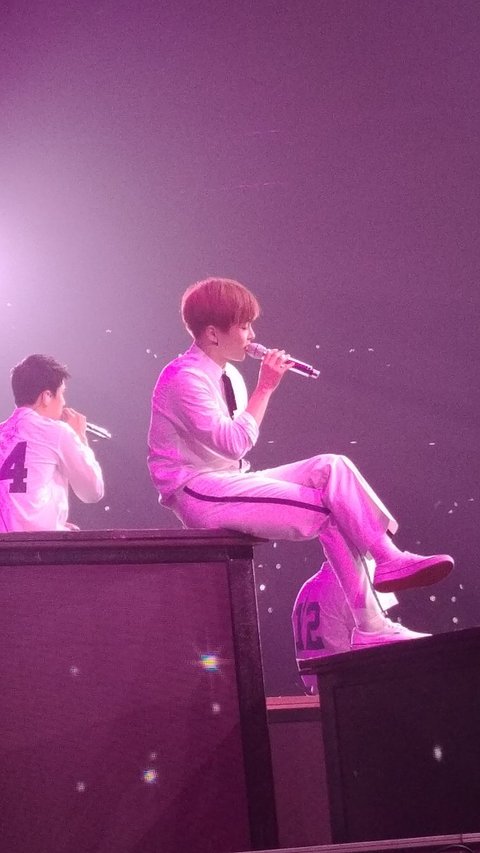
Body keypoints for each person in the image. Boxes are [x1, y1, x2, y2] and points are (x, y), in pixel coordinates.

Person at [148, 277, 453, 647]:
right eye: (243, 326)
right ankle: (371, 627)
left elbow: (235, 449)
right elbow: (234, 443)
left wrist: (260, 389)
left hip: (229, 480)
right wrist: (265, 388)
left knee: (332, 467)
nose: (252, 335)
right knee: (329, 510)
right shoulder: (183, 378)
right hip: (197, 490)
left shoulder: (230, 376)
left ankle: (388, 558)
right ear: (213, 333)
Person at [0, 354, 104, 532]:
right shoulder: (57, 431)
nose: (64, 402)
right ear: (47, 396)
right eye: (62, 393)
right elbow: (92, 492)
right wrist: (79, 437)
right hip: (40, 545)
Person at [293, 559, 429, 693]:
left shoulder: (308, 586)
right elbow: (379, 643)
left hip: (321, 688)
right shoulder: (354, 584)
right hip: (347, 688)